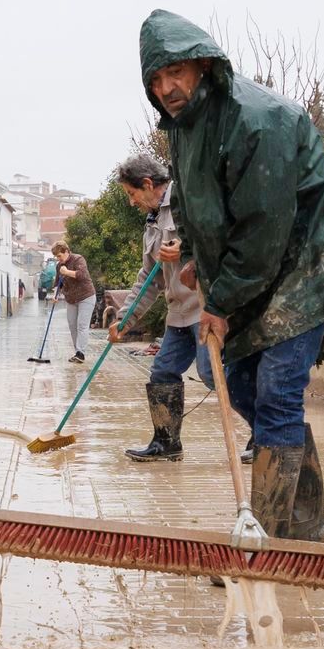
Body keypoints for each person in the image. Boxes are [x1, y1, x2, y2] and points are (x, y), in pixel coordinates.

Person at [138, 10, 324, 542]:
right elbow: (197, 206)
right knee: (235, 380)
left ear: (202, 64)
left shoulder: (256, 119)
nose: (167, 87)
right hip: (255, 269)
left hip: (307, 266)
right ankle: (307, 525)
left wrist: (218, 302)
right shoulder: (184, 128)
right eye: (156, 77)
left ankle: (266, 535)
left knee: (277, 392)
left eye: (176, 71)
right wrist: (196, 256)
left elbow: (263, 229)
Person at [105, 153, 214, 462]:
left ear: (149, 184)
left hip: (207, 306)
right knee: (163, 371)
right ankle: (166, 443)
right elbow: (148, 278)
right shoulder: (152, 223)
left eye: (131, 193)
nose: (131, 202)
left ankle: (266, 435)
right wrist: (125, 320)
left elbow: (218, 236)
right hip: (179, 312)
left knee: (212, 374)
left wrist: (186, 246)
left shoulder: (187, 201)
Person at [52, 241, 94, 363]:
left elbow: (82, 275)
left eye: (59, 256)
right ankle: (77, 352)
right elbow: (58, 283)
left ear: (66, 251)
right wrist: (55, 295)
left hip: (86, 297)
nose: (58, 259)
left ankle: (81, 353)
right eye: (56, 257)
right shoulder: (59, 266)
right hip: (71, 299)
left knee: (82, 325)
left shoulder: (78, 259)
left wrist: (67, 272)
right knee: (72, 325)